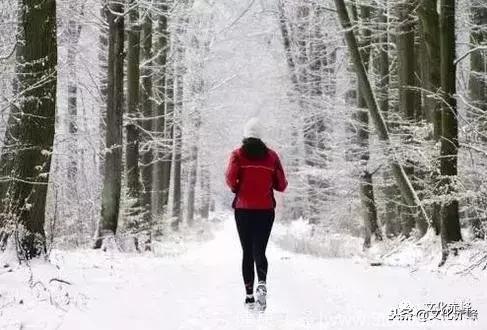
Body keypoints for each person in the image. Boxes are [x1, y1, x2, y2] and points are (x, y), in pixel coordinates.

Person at [225, 117, 288, 309]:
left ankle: (250, 297)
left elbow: (230, 178)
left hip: (243, 210)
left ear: (245, 134)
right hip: (265, 210)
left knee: (247, 252)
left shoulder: (237, 154)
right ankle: (262, 282)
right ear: (262, 136)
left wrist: (238, 188)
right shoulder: (272, 157)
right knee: (259, 249)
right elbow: (282, 185)